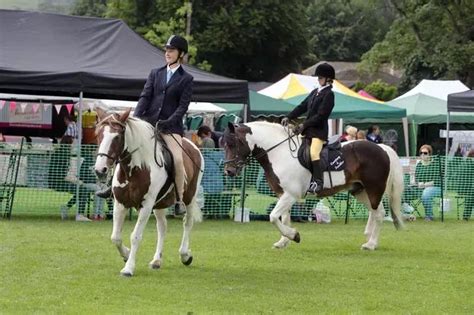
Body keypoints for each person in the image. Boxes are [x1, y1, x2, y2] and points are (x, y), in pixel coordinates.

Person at [96, 35, 193, 216]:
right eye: (166, 50)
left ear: (181, 54)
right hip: (147, 125)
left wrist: (168, 121)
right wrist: (137, 119)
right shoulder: (155, 73)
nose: (167, 53)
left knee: (178, 160)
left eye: (171, 50)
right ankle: (111, 187)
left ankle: (179, 198)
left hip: (170, 128)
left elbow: (182, 107)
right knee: (124, 149)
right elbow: (145, 97)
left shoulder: (186, 79)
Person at [281, 63, 336, 193]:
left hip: (318, 132)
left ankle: (318, 182)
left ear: (328, 79)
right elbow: (302, 106)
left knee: (313, 154)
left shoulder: (329, 95)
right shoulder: (314, 92)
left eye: (321, 78)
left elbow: (321, 116)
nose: (318, 80)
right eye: (318, 78)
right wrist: (289, 116)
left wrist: (304, 124)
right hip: (308, 132)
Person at [415, 144, 441, 221]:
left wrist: (425, 184)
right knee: (404, 191)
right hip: (421, 187)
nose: (423, 154)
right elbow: (417, 178)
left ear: (430, 154)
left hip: (436, 188)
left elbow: (436, 180)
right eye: (421, 153)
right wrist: (418, 183)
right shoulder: (419, 164)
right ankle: (407, 214)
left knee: (426, 193)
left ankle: (429, 216)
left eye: (425, 153)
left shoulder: (435, 164)